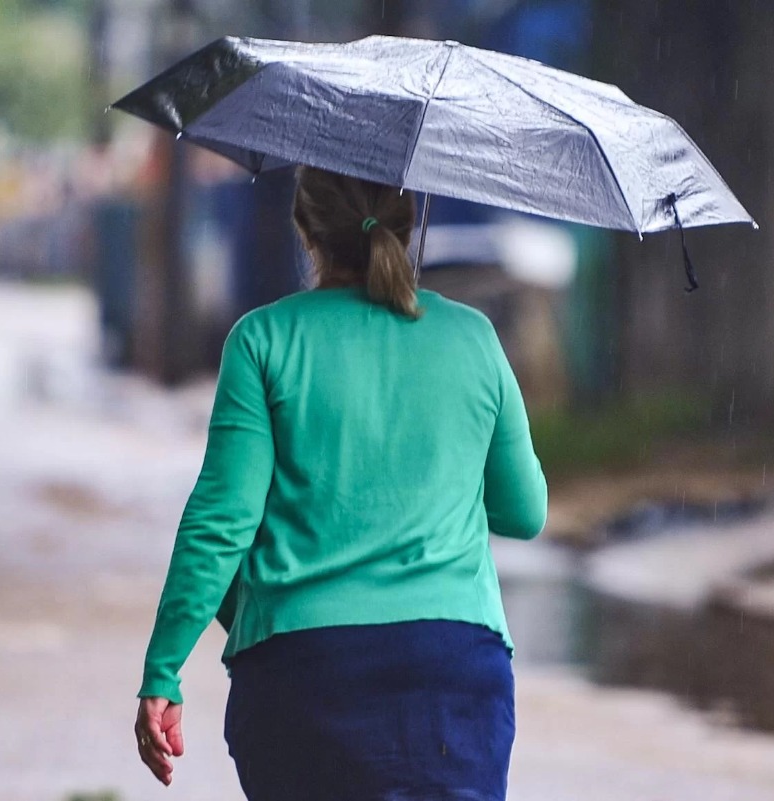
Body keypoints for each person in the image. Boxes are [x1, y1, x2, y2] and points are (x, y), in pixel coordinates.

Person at [132, 166, 549, 800]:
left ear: (306, 228)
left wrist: (164, 669)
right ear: (410, 222)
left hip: (302, 675)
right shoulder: (472, 337)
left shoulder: (264, 339)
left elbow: (222, 524)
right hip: (454, 670)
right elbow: (524, 511)